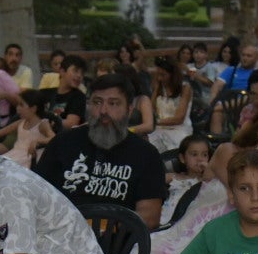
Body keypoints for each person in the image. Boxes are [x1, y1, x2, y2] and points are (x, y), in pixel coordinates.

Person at [33, 73, 167, 227]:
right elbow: (38, 197)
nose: (103, 111)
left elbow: (149, 217)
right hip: (61, 234)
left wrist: (102, 230)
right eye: (97, 102)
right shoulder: (63, 143)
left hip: (118, 240)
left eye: (113, 103)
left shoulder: (146, 155)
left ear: (129, 110)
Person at [0, 88, 57, 166]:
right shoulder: (21, 122)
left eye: (21, 105)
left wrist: (38, 141)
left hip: (28, 159)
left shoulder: (42, 124)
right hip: (15, 154)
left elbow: (54, 138)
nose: (17, 108)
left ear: (33, 108)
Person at [148, 57, 194, 153]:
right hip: (159, 128)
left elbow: (179, 119)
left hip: (179, 129)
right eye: (158, 74)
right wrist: (156, 89)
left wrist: (156, 122)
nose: (159, 78)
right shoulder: (159, 86)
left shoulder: (185, 88)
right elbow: (151, 109)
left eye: (163, 75)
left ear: (172, 75)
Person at [48, 54, 89, 127]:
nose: (79, 76)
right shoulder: (49, 92)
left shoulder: (79, 97)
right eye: (75, 71)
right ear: (62, 71)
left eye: (82, 73)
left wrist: (48, 123)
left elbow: (71, 124)